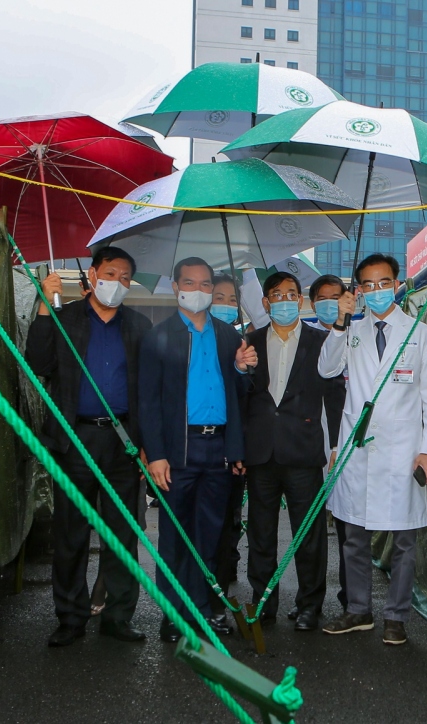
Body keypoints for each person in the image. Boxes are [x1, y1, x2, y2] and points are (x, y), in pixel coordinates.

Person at [25, 247, 152, 647]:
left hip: (123, 444)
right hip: (74, 439)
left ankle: (118, 616)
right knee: (71, 534)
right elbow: (38, 365)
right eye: (111, 272)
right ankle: (70, 617)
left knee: (122, 533)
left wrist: (146, 446)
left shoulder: (139, 325)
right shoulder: (65, 318)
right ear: (93, 275)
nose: (117, 281)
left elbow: (148, 393)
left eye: (125, 276)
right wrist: (45, 308)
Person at [318, 253, 427, 645]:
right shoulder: (350, 331)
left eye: (384, 282)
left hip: (403, 450)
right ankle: (358, 610)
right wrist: (340, 323)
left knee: (404, 540)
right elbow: (326, 369)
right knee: (353, 534)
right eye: (368, 285)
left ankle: (396, 616)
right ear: (358, 291)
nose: (377, 291)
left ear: (397, 284)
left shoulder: (419, 333)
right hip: (358, 453)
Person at [138, 257, 257, 643]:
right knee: (175, 537)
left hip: (218, 448)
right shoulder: (160, 335)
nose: (199, 291)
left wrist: (241, 370)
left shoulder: (228, 336)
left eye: (206, 284)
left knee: (211, 536)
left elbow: (239, 399)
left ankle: (205, 611)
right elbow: (148, 401)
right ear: (175, 287)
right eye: (190, 283)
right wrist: (155, 454)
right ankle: (174, 614)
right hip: (177, 451)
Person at [242, 272, 346, 632]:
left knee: (309, 534)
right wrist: (242, 369)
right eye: (277, 295)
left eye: (292, 294)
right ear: (266, 303)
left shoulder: (322, 342)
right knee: (260, 531)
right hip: (260, 454)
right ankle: (263, 600)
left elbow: (334, 397)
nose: (286, 300)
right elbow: (242, 397)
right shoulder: (249, 342)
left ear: (301, 301)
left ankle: (309, 605)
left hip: (303, 451)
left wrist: (335, 445)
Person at [303, 273, 350, 615]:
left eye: (338, 296)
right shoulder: (303, 337)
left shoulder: (357, 333)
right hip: (312, 445)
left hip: (349, 443)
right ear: (313, 302)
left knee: (350, 528)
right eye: (324, 297)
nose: (331, 302)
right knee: (312, 530)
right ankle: (311, 601)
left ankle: (353, 598)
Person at [208, 272, 246, 590]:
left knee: (231, 512)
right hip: (197, 444)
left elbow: (245, 397)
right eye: (219, 298)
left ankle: (227, 567)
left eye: (232, 300)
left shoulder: (242, 341)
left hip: (233, 445)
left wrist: (242, 368)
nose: (226, 305)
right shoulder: (191, 337)